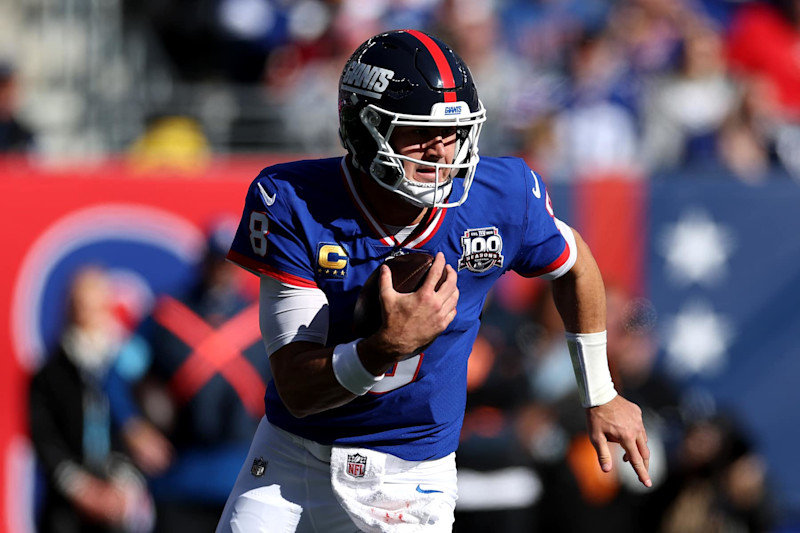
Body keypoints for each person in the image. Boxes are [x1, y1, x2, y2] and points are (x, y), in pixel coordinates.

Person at [217, 29, 651, 533]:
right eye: (419, 132)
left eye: (453, 133)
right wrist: (384, 347)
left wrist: (599, 391)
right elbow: (297, 388)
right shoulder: (293, 199)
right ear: (363, 128)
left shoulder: (501, 195)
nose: (442, 152)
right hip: (290, 460)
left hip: (409, 476)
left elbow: (576, 265)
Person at [105, 219, 270, 532]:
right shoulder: (167, 317)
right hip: (180, 478)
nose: (223, 270)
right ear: (202, 260)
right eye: (216, 260)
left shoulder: (262, 317)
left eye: (231, 261)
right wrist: (133, 428)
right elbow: (116, 375)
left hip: (247, 479)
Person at [28, 266, 155, 533]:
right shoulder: (50, 373)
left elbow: (142, 430)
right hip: (66, 507)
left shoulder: (128, 368)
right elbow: (44, 438)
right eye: (79, 306)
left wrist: (124, 484)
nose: (85, 315)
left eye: (93, 306)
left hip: (121, 502)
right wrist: (81, 488)